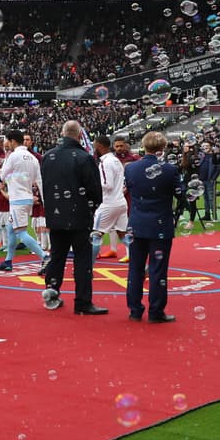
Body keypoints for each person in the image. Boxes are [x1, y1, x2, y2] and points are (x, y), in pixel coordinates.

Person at [40, 121, 107, 315]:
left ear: (62, 133)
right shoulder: (84, 157)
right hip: (79, 215)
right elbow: (95, 190)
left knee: (57, 257)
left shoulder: (48, 156)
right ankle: (83, 301)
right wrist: (91, 207)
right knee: (82, 260)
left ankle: (52, 294)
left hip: (55, 215)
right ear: (79, 136)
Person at [124, 131, 183, 322]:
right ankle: (156, 311)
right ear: (162, 148)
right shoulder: (169, 170)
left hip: (137, 223)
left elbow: (130, 190)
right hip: (160, 223)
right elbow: (181, 194)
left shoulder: (131, 168)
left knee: (135, 268)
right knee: (158, 270)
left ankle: (134, 309)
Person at [0, 129, 48, 273]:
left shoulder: (13, 156)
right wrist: (44, 200)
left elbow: (2, 176)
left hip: (17, 199)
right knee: (11, 229)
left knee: (20, 232)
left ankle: (45, 256)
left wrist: (6, 158)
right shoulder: (33, 157)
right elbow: (39, 181)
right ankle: (8, 261)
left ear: (12, 141)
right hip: (27, 198)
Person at [90, 134, 128, 265]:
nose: (94, 147)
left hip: (108, 203)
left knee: (95, 234)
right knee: (123, 235)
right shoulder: (116, 160)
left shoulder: (105, 162)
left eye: (95, 145)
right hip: (121, 202)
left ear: (99, 146)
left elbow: (107, 185)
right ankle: (142, 263)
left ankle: (87, 268)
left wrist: (91, 184)